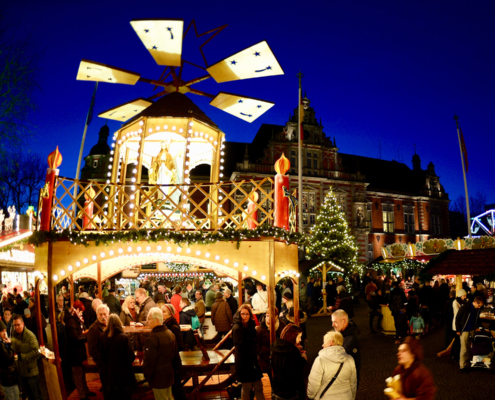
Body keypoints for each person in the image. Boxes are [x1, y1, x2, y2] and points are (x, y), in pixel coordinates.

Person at [307, 331, 357, 400]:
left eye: (324, 342)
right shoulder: (350, 359)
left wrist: (310, 396)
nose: (322, 345)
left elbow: (314, 384)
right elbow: (353, 383)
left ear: (330, 343)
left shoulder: (320, 360)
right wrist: (352, 397)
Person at [143, 307, 180, 400]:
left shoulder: (152, 338)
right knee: (169, 397)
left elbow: (149, 361)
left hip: (158, 377)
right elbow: (176, 356)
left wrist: (147, 375)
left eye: (149, 319)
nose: (147, 322)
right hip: (169, 374)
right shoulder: (170, 333)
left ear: (156, 320)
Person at [232, 304, 265, 400]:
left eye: (247, 314)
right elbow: (240, 346)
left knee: (258, 386)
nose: (245, 316)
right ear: (239, 314)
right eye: (243, 314)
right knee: (246, 387)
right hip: (244, 362)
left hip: (252, 361)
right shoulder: (237, 327)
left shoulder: (250, 325)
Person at [100, 314, 136, 400]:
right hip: (124, 373)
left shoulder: (103, 337)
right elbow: (131, 357)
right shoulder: (124, 337)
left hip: (110, 373)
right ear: (119, 323)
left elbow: (102, 356)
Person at [64, 301, 94, 400]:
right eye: (81, 312)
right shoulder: (71, 320)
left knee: (82, 373)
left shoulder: (74, 319)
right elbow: (74, 337)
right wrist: (86, 337)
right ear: (77, 310)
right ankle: (82, 395)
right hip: (74, 352)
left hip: (78, 351)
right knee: (78, 374)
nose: (81, 314)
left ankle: (86, 391)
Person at [11, 314, 43, 400]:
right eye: (15, 325)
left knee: (36, 396)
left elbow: (37, 351)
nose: (17, 327)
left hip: (31, 372)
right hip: (21, 372)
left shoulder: (30, 335)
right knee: (28, 395)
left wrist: (23, 357)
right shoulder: (13, 335)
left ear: (23, 324)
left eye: (18, 325)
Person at [271, 324, 307, 400]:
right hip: (289, 393)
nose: (300, 340)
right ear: (293, 337)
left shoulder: (275, 348)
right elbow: (295, 374)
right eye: (299, 337)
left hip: (276, 389)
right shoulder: (293, 352)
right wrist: (303, 360)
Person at [455, 295, 484, 373]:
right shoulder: (466, 306)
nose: (479, 307)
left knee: (468, 348)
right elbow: (458, 317)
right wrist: (458, 329)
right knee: (464, 348)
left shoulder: (476, 309)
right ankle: (462, 366)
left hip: (471, 330)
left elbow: (476, 319)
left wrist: (478, 327)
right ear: (475, 302)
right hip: (464, 330)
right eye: (479, 305)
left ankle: (467, 363)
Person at [331, 310, 360, 384]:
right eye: (332, 322)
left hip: (345, 382)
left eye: (335, 322)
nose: (333, 325)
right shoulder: (341, 334)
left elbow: (338, 358)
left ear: (343, 321)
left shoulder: (351, 339)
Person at [87, 304, 110, 399]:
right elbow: (92, 349)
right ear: (97, 315)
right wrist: (100, 363)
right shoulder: (94, 329)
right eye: (100, 314)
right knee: (107, 388)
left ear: (108, 314)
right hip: (103, 363)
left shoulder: (109, 326)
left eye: (104, 314)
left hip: (111, 363)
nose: (103, 316)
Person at [256, 307, 286, 379]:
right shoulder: (261, 328)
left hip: (279, 358)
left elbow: (285, 343)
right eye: (267, 316)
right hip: (265, 359)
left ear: (276, 317)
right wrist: (264, 353)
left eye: (271, 316)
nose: (268, 318)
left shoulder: (282, 327)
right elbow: (257, 344)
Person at [0, 319, 20, 400]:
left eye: (5, 330)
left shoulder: (2, 342)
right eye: (2, 331)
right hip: (8, 378)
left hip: (10, 377)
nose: (5, 333)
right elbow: (8, 358)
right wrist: (10, 346)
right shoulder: (0, 345)